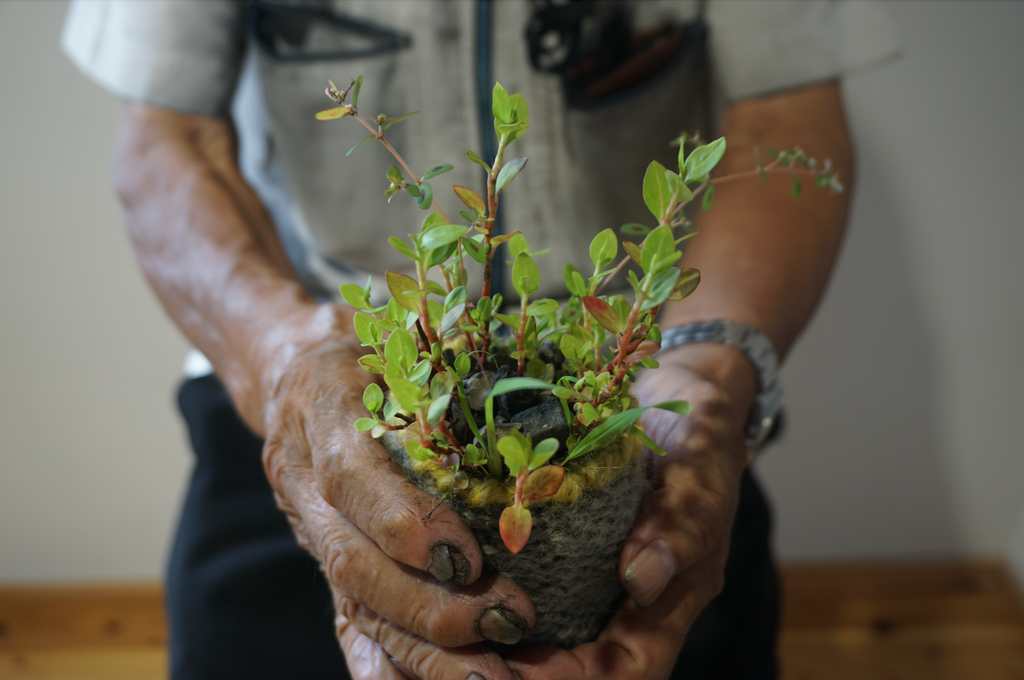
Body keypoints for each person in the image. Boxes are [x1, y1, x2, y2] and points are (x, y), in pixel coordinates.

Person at [63, 1, 899, 678]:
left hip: (651, 417)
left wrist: (708, 367)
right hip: (314, 402)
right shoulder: (305, 387)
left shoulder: (668, 412)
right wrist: (287, 362)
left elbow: (787, 120)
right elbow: (168, 143)